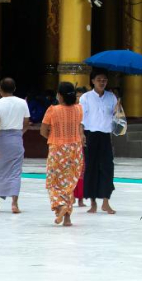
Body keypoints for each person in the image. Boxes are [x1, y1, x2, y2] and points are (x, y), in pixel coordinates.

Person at [40, 82, 84, 226]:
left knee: (53, 182)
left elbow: (43, 131)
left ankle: (60, 206)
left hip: (58, 149)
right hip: (75, 150)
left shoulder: (52, 110)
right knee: (68, 184)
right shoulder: (79, 109)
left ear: (59, 95)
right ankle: (67, 218)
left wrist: (54, 138)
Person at [0, 78, 30, 214]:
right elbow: (27, 122)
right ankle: (14, 203)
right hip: (16, 139)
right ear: (14, 89)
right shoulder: (22, 102)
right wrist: (19, 133)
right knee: (15, 172)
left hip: (1, 139)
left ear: (0, 89)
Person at [80, 68, 118, 214]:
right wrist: (81, 134)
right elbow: (81, 118)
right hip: (90, 135)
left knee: (108, 167)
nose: (102, 82)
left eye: (104, 80)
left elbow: (116, 117)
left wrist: (118, 109)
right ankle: (93, 202)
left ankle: (106, 202)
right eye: (99, 80)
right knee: (91, 168)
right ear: (93, 81)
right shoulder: (86, 97)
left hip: (105, 136)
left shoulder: (111, 97)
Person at [73, 86, 88, 207]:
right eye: (77, 96)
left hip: (81, 142)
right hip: (70, 142)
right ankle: (71, 196)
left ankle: (81, 199)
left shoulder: (85, 109)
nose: (79, 98)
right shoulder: (70, 108)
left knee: (81, 170)